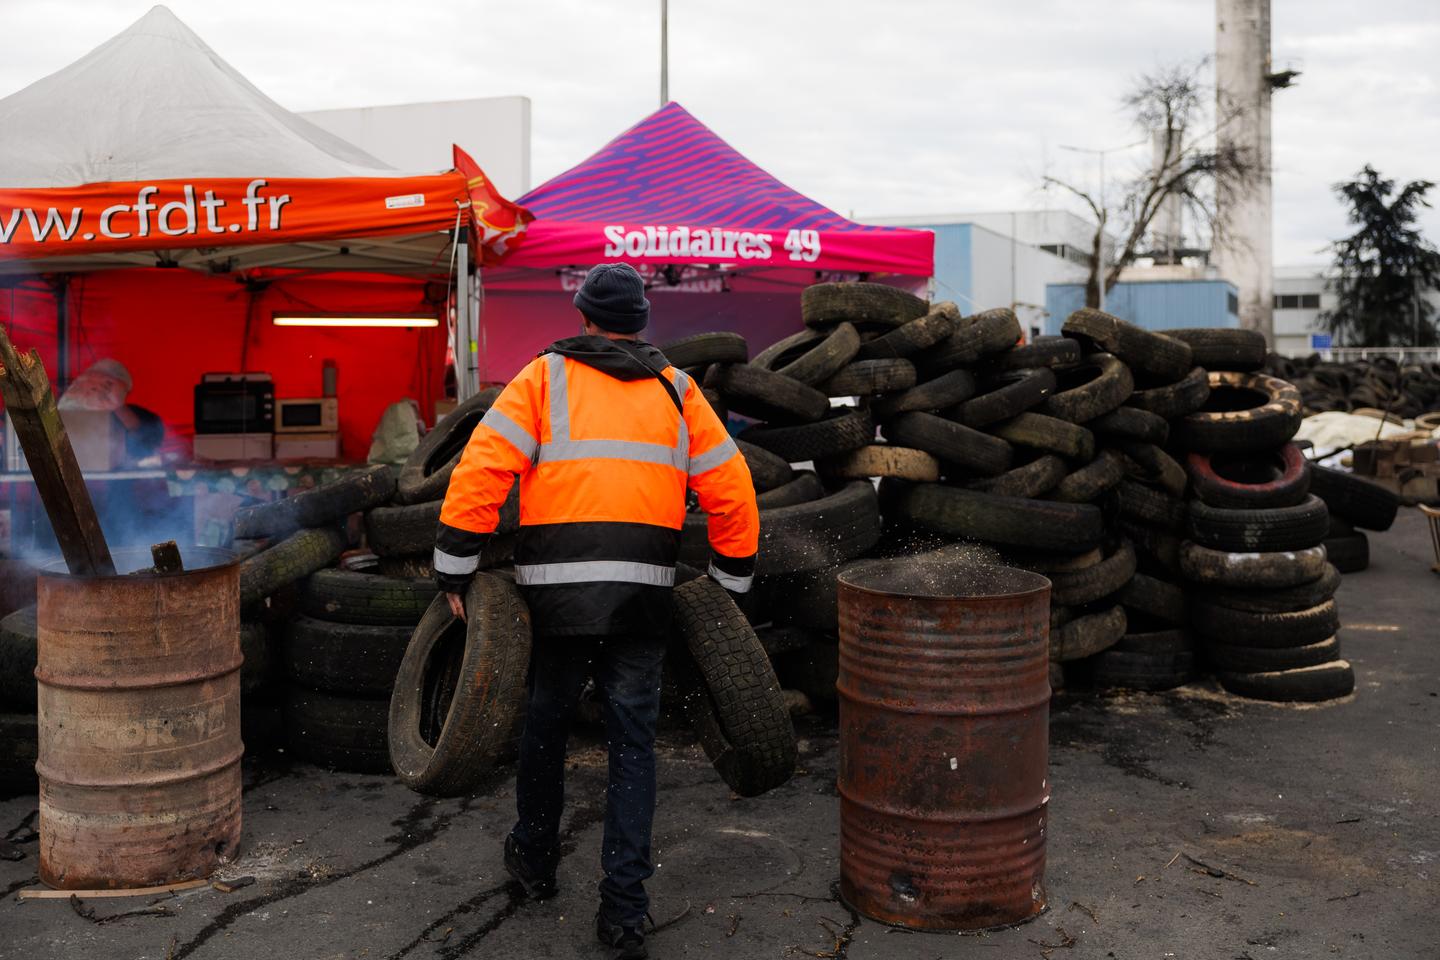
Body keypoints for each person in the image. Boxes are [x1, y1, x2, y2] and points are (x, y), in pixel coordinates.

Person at [433, 262, 759, 959]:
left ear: (583, 318)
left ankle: (534, 861)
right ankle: (623, 914)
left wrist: (454, 568)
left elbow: (481, 469)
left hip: (556, 598)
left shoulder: (541, 380)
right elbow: (732, 486)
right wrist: (730, 579)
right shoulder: (678, 391)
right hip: (643, 596)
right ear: (641, 323)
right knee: (632, 745)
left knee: (546, 726)